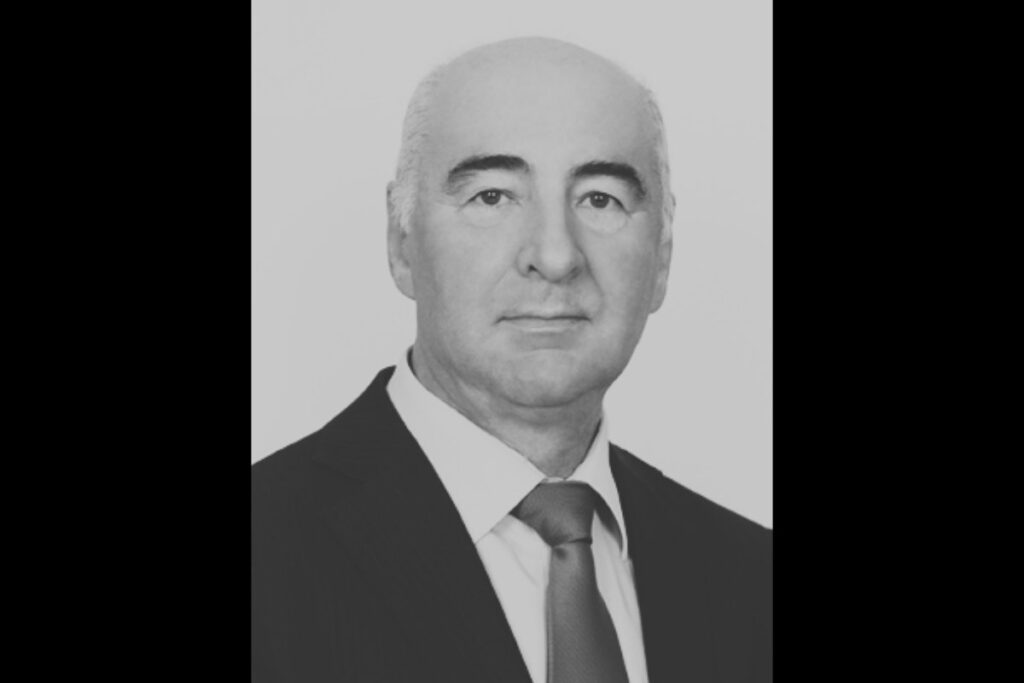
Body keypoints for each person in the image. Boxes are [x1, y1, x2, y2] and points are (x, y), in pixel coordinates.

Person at [252, 36, 771, 683]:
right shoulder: (266, 554)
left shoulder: (753, 579)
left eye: (600, 198)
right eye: (493, 196)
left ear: (662, 256)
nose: (554, 256)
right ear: (401, 240)